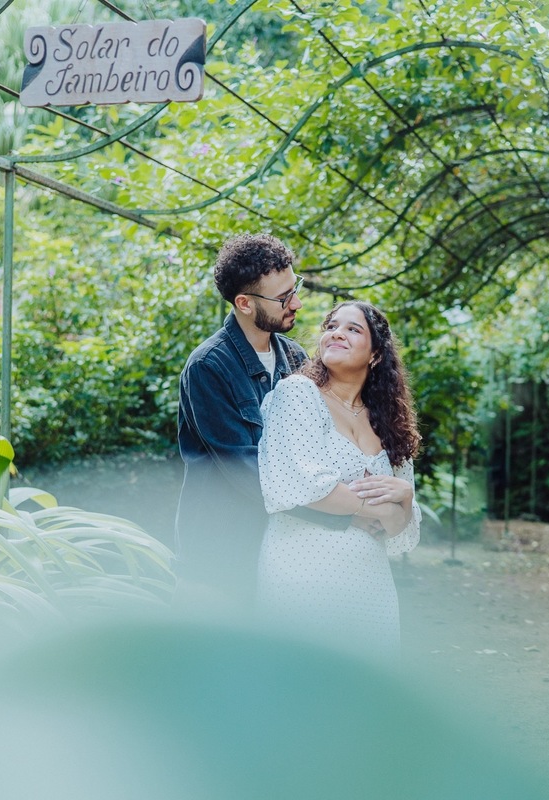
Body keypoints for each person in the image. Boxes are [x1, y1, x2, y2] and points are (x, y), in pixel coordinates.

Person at [176, 233, 351, 606]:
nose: (297, 303)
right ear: (244, 303)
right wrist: (341, 513)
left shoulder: (296, 358)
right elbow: (246, 470)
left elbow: (320, 446)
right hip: (222, 554)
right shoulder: (208, 367)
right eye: (284, 298)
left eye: (295, 289)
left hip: (282, 545)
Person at [256, 300, 422, 660]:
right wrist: (379, 508)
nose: (337, 333)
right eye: (331, 326)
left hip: (370, 584)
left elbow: (398, 529)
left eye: (353, 329)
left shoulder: (387, 422)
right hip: (303, 575)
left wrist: (406, 498)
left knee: (366, 687)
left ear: (376, 355)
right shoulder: (298, 394)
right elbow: (303, 487)